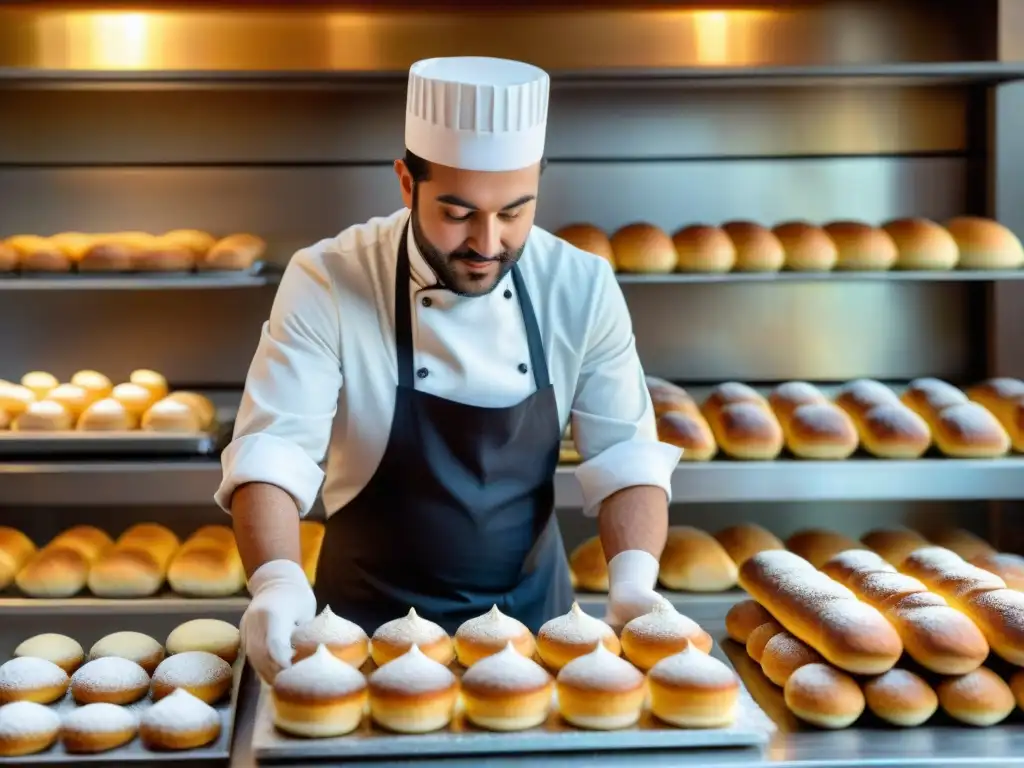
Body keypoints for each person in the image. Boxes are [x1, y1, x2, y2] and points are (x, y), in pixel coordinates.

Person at [215, 56, 682, 682]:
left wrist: (632, 582)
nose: (488, 243)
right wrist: (276, 580)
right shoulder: (329, 278)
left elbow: (626, 455)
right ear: (407, 184)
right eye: (459, 213)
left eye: (515, 212)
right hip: (357, 639)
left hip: (535, 639)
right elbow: (274, 451)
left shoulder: (581, 284)